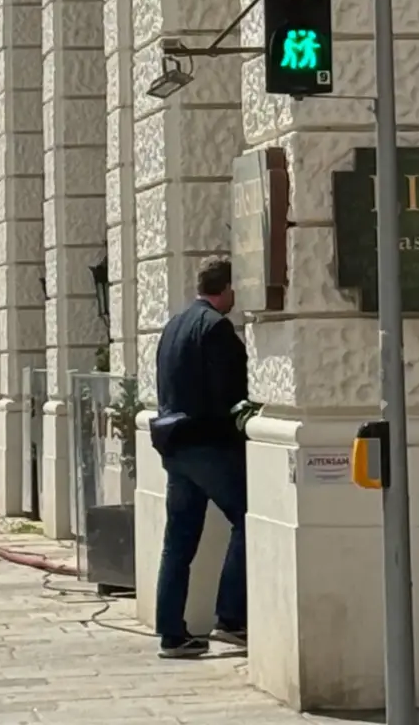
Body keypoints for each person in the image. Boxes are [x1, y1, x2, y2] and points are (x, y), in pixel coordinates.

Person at [150, 256, 251, 660]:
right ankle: (231, 617)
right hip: (208, 445)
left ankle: (171, 633)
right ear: (226, 288)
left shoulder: (174, 325)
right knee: (249, 517)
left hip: (175, 445)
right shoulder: (216, 328)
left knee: (178, 542)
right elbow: (230, 392)